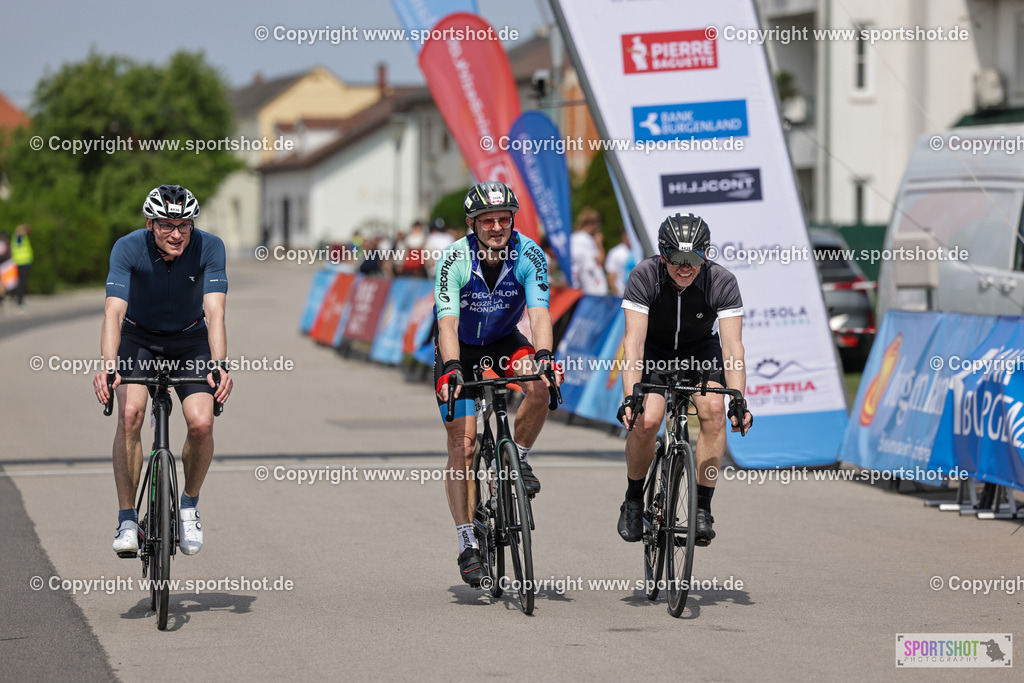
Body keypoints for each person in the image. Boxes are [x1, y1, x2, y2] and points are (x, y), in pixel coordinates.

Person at [92, 185, 233, 558]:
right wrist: (109, 366)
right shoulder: (127, 248)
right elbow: (114, 311)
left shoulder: (210, 247)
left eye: (184, 224)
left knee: (202, 422)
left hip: (190, 340)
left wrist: (219, 365)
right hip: (138, 338)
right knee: (130, 414)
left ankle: (188, 506)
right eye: (167, 225)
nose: (177, 233)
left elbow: (215, 311)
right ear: (150, 224)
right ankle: (127, 520)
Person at [434, 180, 562, 587]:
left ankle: (516, 458)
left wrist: (545, 356)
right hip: (460, 349)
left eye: (503, 219)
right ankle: (467, 541)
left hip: (505, 340)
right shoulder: (454, 258)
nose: (496, 227)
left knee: (539, 385)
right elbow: (447, 322)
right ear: (472, 224)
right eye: (487, 220)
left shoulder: (529, 254)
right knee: (464, 447)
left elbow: (539, 313)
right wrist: (452, 367)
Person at [615, 213, 752, 547]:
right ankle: (633, 499)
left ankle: (702, 507)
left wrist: (738, 398)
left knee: (714, 412)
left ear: (706, 253)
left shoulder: (722, 281)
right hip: (654, 351)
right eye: (677, 258)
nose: (686, 267)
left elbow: (732, 347)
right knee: (647, 421)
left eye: (694, 257)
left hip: (699, 351)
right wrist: (631, 396)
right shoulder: (645, 275)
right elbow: (633, 342)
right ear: (663, 254)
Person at [570, 207, 608, 295]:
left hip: (580, 285)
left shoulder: (573, 238)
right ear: (592, 223)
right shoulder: (588, 240)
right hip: (592, 285)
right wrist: (599, 244)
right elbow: (600, 260)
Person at [605, 227, 636, 297]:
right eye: (626, 234)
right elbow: (611, 277)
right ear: (622, 236)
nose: (628, 237)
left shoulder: (641, 250)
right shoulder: (615, 252)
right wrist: (617, 295)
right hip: (622, 295)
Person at [11, 224, 33, 311]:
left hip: (23, 263)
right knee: (21, 284)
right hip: (21, 263)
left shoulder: (22, 237)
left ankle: (18, 300)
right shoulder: (19, 237)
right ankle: (19, 302)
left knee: (21, 283)